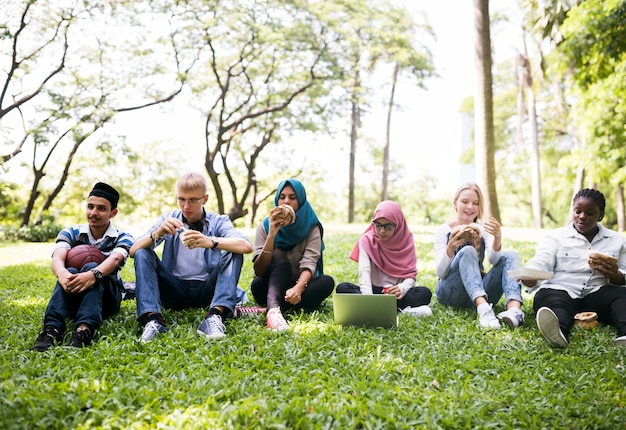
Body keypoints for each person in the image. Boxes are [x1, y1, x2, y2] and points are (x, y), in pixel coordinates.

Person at [129, 172, 253, 342]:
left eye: (193, 200)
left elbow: (246, 246)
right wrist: (158, 233)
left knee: (235, 251)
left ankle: (214, 316)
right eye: (181, 199)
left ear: (205, 199)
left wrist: (211, 241)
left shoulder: (217, 221)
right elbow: (133, 251)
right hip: (174, 290)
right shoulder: (168, 219)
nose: (186, 206)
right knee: (143, 251)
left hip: (206, 290)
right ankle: (153, 320)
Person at [31, 182, 134, 351]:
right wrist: (62, 273)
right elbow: (58, 257)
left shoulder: (123, 236)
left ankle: (84, 330)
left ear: (113, 213)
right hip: (73, 295)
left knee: (93, 266)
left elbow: (116, 259)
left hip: (107, 300)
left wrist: (93, 274)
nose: (93, 213)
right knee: (70, 270)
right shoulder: (70, 232)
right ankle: (51, 330)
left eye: (101, 208)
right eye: (90, 207)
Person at [522, 188, 626, 348]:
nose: (582, 217)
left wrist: (615, 275)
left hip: (598, 294)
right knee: (554, 303)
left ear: (601, 215)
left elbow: (623, 275)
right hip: (562, 290)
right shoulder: (555, 237)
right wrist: (531, 275)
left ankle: (624, 335)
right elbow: (542, 260)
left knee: (622, 297)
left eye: (590, 213)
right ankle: (558, 333)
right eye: (578, 211)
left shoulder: (617, 240)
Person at [434, 183, 524, 329]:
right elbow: (440, 272)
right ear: (455, 203)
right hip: (450, 293)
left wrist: (497, 237)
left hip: (478, 291)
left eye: (475, 203)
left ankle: (514, 311)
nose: (470, 207)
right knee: (468, 251)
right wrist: (450, 247)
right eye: (465, 202)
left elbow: (494, 260)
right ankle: (484, 310)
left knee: (511, 254)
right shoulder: (443, 231)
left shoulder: (483, 230)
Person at [251, 178, 334, 331]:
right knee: (280, 266)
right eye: (282, 197)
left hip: (298, 287)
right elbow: (259, 271)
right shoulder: (265, 226)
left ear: (300, 201)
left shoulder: (312, 227)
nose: (286, 201)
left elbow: (310, 263)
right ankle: (274, 311)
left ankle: (271, 309)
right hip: (270, 285)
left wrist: (298, 288)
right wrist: (272, 235)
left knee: (327, 282)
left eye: (292, 197)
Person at [336, 200, 432, 316]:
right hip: (372, 291)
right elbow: (364, 272)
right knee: (343, 288)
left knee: (424, 293)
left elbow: (410, 275)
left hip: (394, 294)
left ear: (398, 225)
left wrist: (401, 289)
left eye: (388, 226)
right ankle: (398, 310)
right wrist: (368, 298)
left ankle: (373, 308)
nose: (382, 231)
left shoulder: (406, 240)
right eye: (378, 225)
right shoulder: (367, 240)